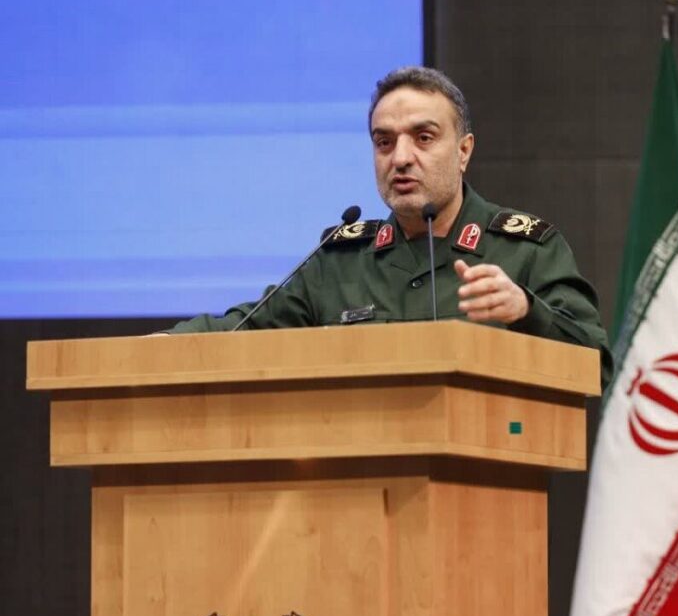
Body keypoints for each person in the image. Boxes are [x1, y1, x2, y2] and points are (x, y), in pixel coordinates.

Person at [167, 66, 612, 389]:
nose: (400, 158)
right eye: (384, 142)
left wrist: (526, 310)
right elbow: (247, 327)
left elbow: (597, 365)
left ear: (463, 151)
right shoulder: (339, 261)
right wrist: (164, 344)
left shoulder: (524, 249)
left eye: (423, 138)